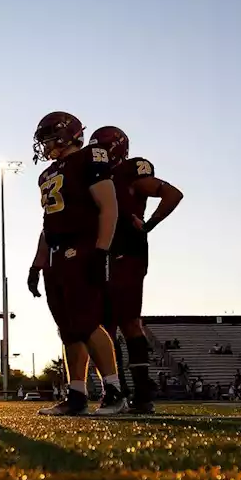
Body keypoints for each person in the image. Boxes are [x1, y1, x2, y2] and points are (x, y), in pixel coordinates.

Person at [25, 111, 128, 416]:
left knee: (85, 322)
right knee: (68, 329)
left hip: (82, 247)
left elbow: (108, 206)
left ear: (64, 135)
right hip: (56, 253)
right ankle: (77, 395)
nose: (43, 146)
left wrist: (100, 250)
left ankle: (115, 391)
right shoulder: (46, 175)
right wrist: (36, 263)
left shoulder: (89, 158)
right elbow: (48, 223)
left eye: (47, 138)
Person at [87, 126, 183, 413]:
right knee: (109, 324)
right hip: (104, 252)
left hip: (126, 252)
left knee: (123, 322)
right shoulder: (93, 174)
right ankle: (124, 392)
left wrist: (149, 225)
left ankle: (136, 393)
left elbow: (173, 194)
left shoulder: (130, 171)